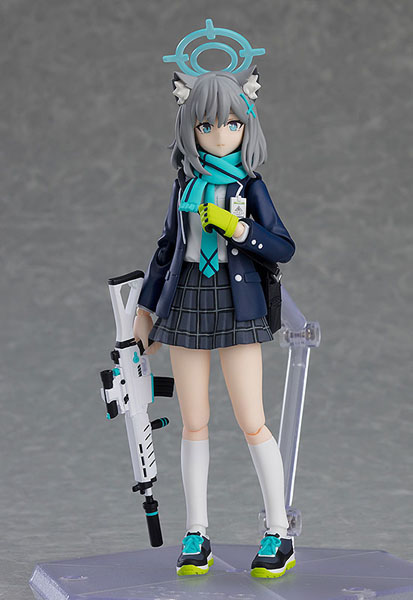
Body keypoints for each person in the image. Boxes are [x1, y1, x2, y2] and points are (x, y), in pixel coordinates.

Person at [134, 63, 296, 579]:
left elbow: (283, 247)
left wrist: (239, 229)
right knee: (193, 420)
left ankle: (279, 531)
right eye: (206, 125)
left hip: (237, 301)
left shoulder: (251, 185)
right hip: (187, 300)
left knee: (252, 419)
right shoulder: (184, 186)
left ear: (247, 125)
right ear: (190, 127)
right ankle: (197, 531)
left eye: (232, 123)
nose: (220, 135)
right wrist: (145, 309)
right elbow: (167, 248)